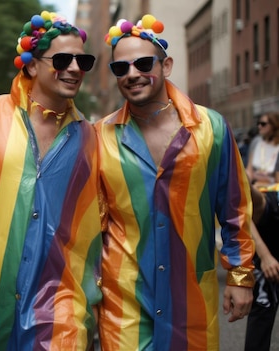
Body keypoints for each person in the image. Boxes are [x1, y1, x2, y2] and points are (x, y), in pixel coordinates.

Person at [96, 14, 255, 350]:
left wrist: (241, 276)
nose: (132, 74)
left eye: (142, 63)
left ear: (165, 65)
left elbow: (234, 209)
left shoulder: (211, 127)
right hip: (123, 302)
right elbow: (89, 225)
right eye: (120, 68)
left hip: (191, 297)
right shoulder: (99, 137)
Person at [0, 11, 102, 350]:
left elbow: (97, 225)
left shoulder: (90, 138)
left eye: (83, 60)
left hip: (61, 301)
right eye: (63, 59)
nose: (75, 68)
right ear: (31, 65)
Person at [244, 183, 279, 351]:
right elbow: (242, 207)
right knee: (263, 310)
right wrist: (265, 256)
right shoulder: (269, 202)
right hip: (268, 248)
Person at [247, 112, 279, 187]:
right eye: (258, 123)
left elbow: (277, 180)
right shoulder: (256, 142)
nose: (259, 126)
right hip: (255, 187)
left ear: (274, 125)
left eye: (263, 124)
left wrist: (261, 183)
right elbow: (249, 170)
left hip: (272, 191)